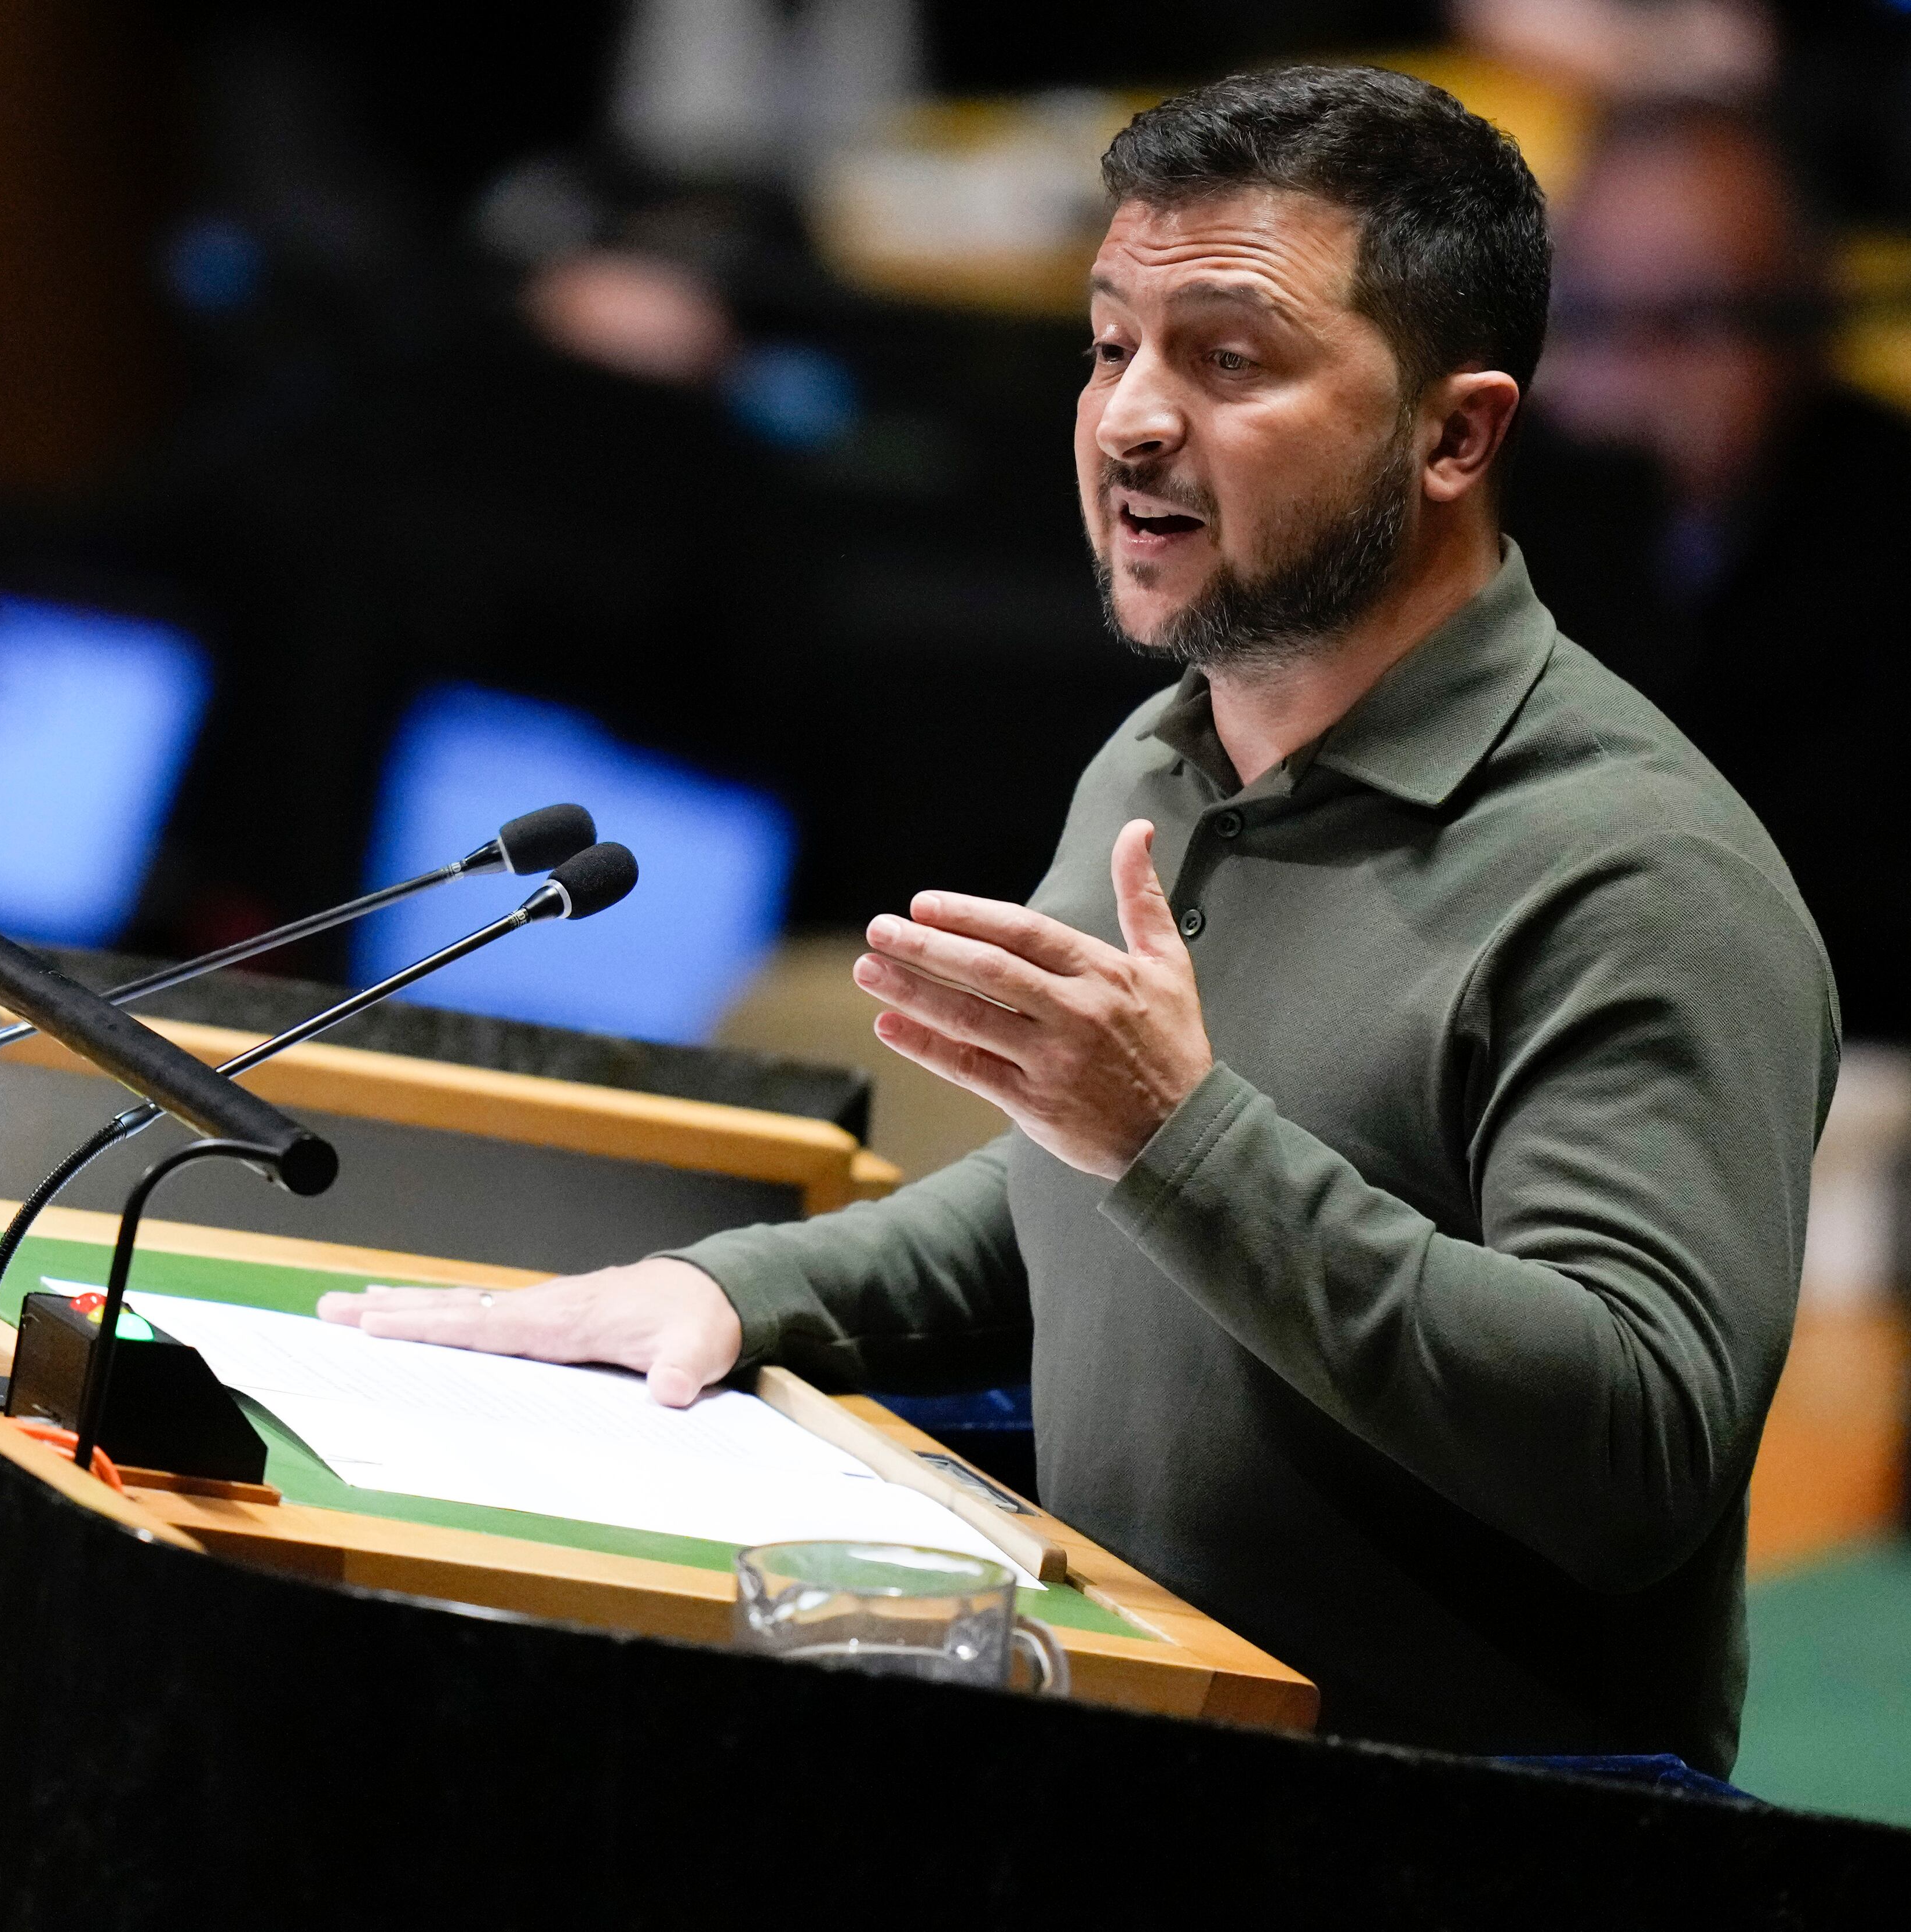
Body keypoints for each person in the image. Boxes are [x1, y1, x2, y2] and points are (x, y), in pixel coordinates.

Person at [323, 65, 1835, 1774]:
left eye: (1230, 357)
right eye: (1112, 345)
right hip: (1130, 1718)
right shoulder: (1164, 754)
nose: (1129, 419)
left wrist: (1175, 1128)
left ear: (1455, 432)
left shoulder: (1637, 873)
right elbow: (1090, 1198)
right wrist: (733, 1288)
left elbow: (1634, 1448)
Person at [1515, 103, 1911, 1040]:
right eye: (1595, 319)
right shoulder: (1482, 513)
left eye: (1690, 321)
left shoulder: (1882, 530)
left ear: (1805, 330)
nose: (1634, 373)